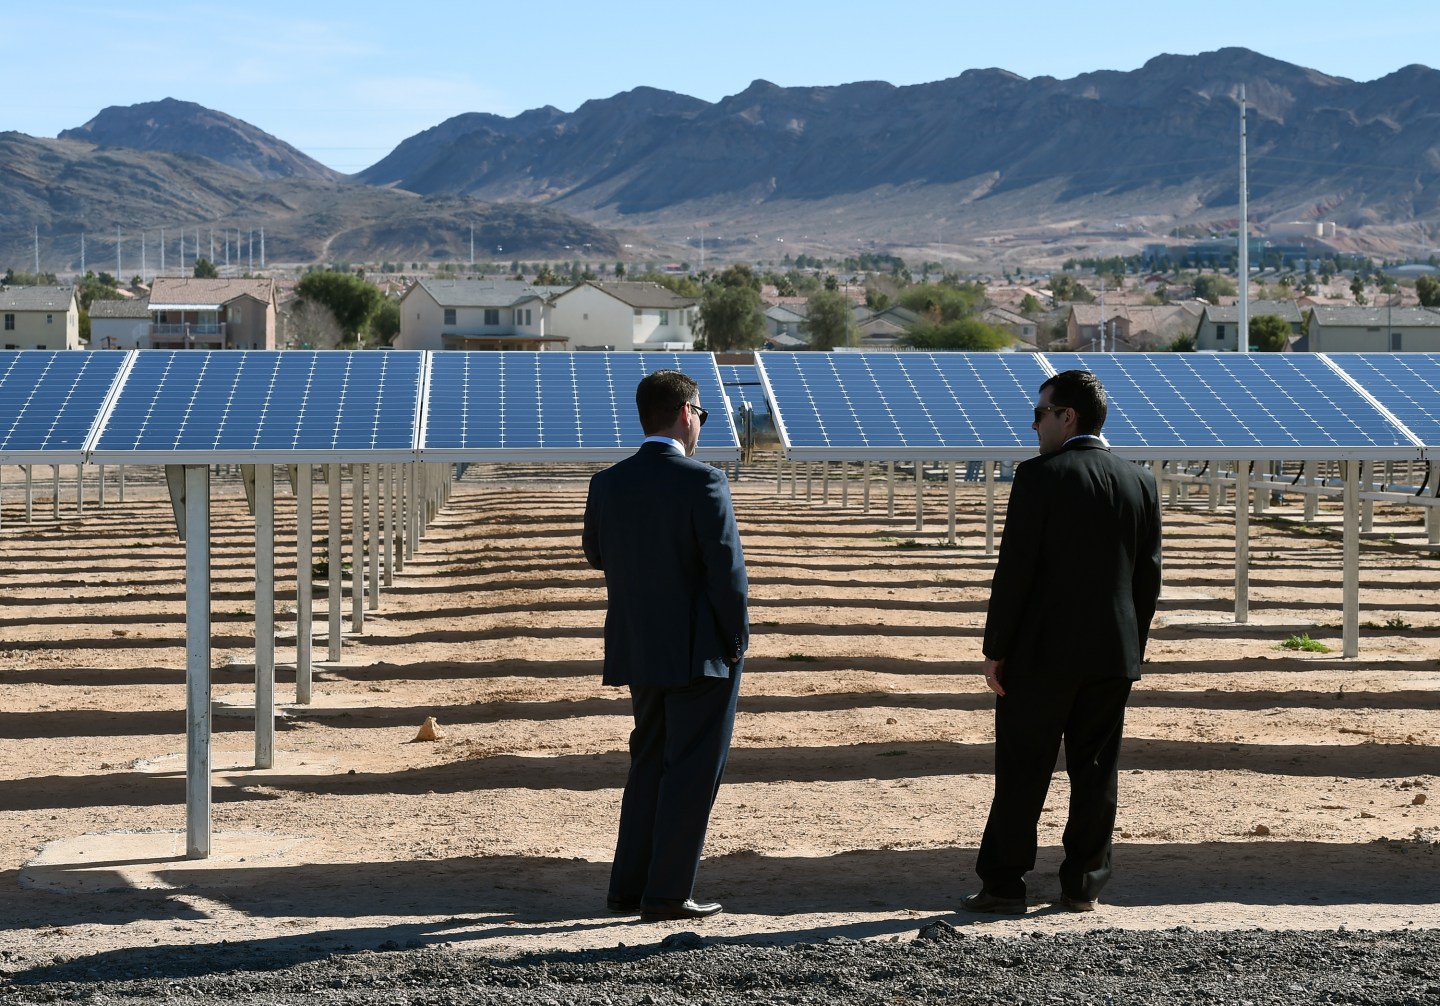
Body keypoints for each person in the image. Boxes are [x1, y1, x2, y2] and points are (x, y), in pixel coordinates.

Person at [963, 369, 1162, 915]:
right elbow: (1148, 580)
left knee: (1023, 769)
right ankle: (1083, 885)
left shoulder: (1038, 477)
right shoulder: (1140, 481)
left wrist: (995, 647)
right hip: (1112, 655)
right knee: (1096, 771)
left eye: (1040, 414)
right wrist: (1131, 647)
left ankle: (1004, 884)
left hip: (1040, 655)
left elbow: (1016, 573)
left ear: (1067, 416)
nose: (1033, 425)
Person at [582, 369, 749, 921]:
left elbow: (595, 554)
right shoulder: (704, 481)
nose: (701, 425)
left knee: (649, 763)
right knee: (692, 770)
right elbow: (726, 575)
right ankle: (668, 894)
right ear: (684, 413)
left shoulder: (606, 483)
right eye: (702, 415)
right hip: (700, 651)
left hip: (638, 648)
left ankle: (627, 888)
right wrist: (736, 643)